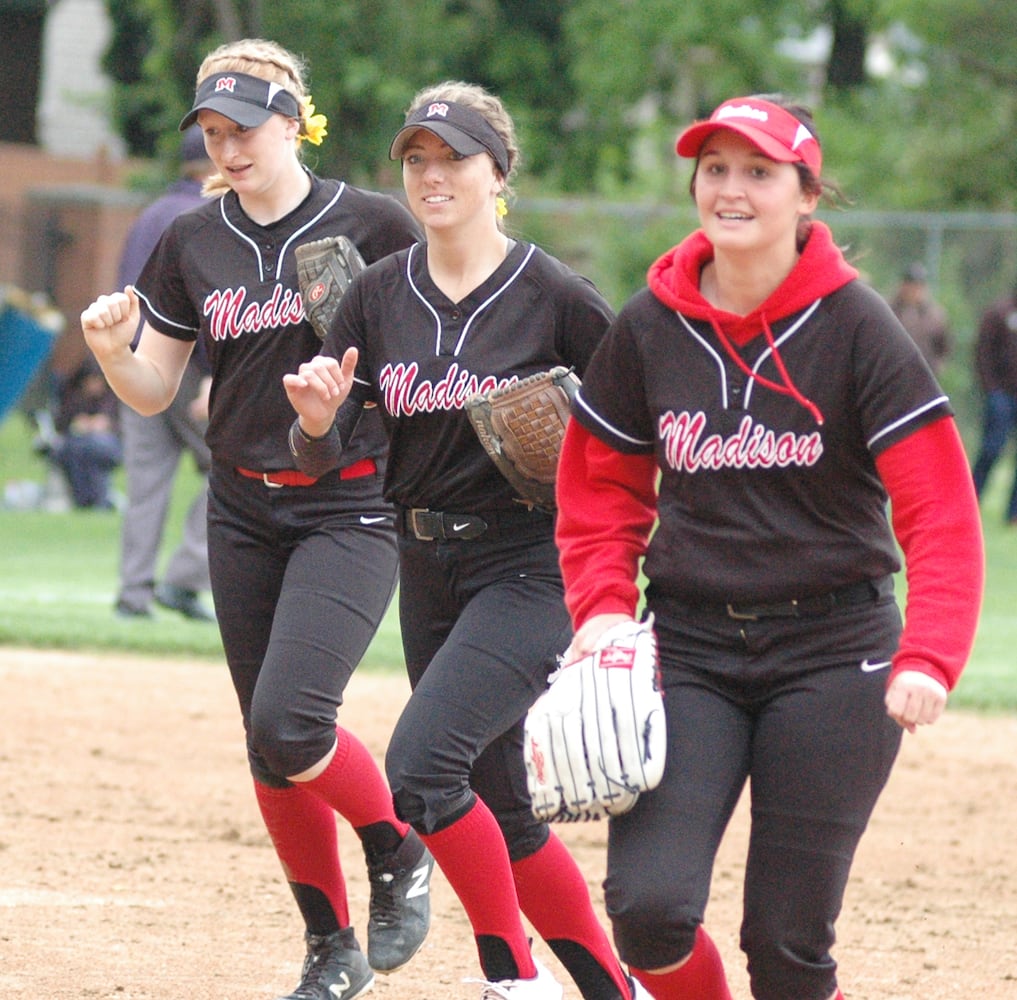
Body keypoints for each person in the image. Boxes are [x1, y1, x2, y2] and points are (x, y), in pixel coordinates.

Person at [552, 95, 985, 1000]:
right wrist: (598, 607)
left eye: (758, 172)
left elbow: (938, 511)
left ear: (806, 195)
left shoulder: (860, 328)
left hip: (836, 654)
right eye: (715, 169)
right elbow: (600, 488)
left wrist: (930, 656)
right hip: (692, 647)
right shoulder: (648, 327)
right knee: (648, 910)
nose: (731, 189)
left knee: (786, 941)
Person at [80, 38, 432, 1000]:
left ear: (294, 120)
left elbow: (432, 350)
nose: (227, 149)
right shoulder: (192, 240)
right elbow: (154, 391)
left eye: (243, 129)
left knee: (291, 718)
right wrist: (115, 354)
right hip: (239, 507)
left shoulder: (370, 222)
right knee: (267, 745)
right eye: (212, 132)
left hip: (349, 502)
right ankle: (330, 947)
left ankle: (395, 847)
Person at [284, 82, 647, 1000]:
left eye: (454, 157)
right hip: (426, 564)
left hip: (530, 563)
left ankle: (511, 976)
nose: (433, 174)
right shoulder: (374, 294)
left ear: (498, 172)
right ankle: (612, 989)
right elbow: (323, 445)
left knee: (420, 770)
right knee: (498, 801)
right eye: (417, 158)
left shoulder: (555, 295)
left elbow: (635, 437)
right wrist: (319, 422)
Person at [114, 125, 216, 621]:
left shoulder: (151, 212)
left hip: (129, 362)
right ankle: (184, 577)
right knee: (235, 470)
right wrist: (214, 374)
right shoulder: (205, 216)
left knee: (145, 487)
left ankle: (132, 595)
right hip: (185, 369)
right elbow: (208, 305)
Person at [970, 276, 1017, 524]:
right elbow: (982, 352)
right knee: (992, 448)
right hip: (1001, 394)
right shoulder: (999, 313)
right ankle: (971, 500)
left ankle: (1013, 513)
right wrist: (991, 389)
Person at [48, 355, 122, 509]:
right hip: (75, 444)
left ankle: (97, 500)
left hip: (106, 445)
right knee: (75, 450)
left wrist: (105, 424)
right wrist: (77, 424)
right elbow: (61, 423)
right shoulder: (74, 398)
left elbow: (121, 425)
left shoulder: (112, 397)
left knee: (92, 449)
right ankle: (85, 500)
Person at [890, 261, 951, 376]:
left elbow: (943, 345)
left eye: (918, 286)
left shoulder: (935, 316)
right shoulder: (888, 311)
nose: (914, 290)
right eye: (911, 285)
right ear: (903, 285)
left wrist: (938, 366)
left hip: (926, 375)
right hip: (894, 375)